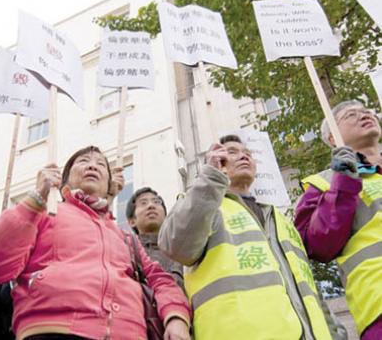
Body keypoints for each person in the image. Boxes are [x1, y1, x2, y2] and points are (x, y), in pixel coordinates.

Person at [0, 146, 190, 340]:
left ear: (109, 185)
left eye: (101, 164)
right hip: (53, 330)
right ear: (64, 180)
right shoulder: (42, 214)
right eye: (84, 161)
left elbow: (161, 280)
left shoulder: (125, 237)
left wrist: (176, 318)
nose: (93, 166)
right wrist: (35, 198)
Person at [159, 135, 342, 340]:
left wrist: (335, 331)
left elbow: (307, 285)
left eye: (247, 154)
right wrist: (210, 178)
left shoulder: (279, 220)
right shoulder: (199, 205)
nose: (243, 156)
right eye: (232, 152)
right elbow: (177, 245)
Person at [295, 100, 382, 339]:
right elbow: (319, 244)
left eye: (367, 111)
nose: (363, 115)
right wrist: (343, 181)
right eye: (351, 115)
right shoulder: (323, 182)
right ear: (333, 137)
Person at [126, 187, 184, 288]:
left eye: (156, 202)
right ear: (132, 221)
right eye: (143, 203)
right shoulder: (127, 253)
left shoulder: (181, 250)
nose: (151, 206)